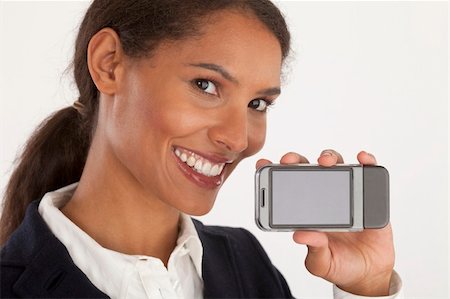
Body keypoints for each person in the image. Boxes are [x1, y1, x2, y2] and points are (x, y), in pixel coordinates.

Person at [0, 0, 402, 298]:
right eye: (206, 85)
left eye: (257, 104)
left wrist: (365, 286)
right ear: (109, 65)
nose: (239, 138)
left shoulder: (247, 265)